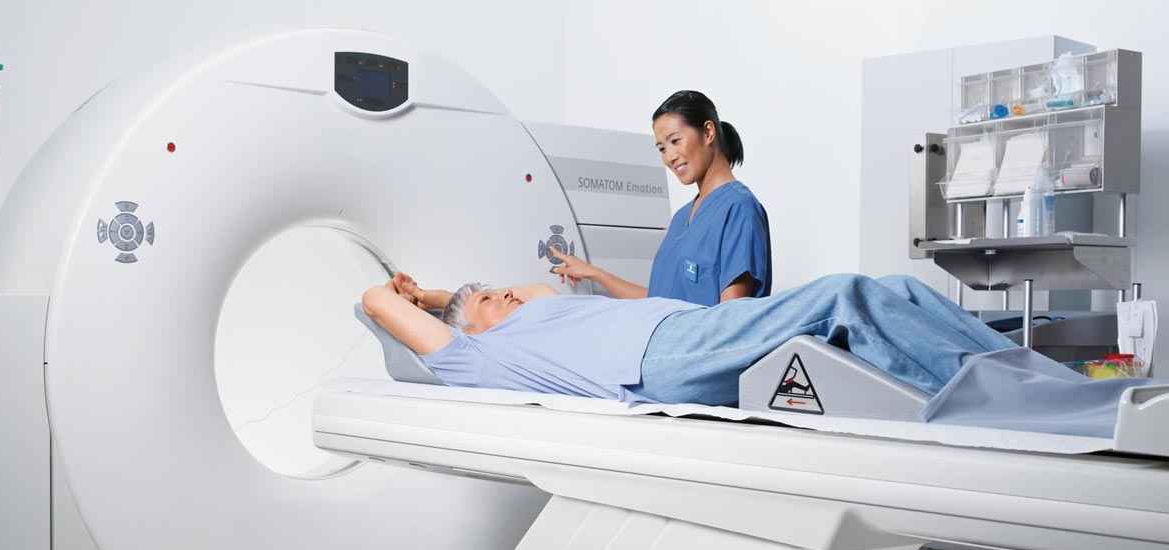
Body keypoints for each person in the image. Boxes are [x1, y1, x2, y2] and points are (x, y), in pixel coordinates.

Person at [362, 272, 1014, 406]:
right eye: (486, 299)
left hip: (679, 334)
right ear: (467, 328)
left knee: (895, 290)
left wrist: (456, 295)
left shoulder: (540, 311)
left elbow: (528, 289)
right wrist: (419, 300)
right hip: (659, 354)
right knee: (848, 297)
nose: (504, 294)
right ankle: (1003, 400)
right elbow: (375, 301)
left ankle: (1025, 376)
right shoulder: (480, 357)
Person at [550, 90, 771, 305]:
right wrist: (593, 273)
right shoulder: (681, 217)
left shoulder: (739, 209)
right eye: (662, 149)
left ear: (708, 132)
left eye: (675, 141)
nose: (670, 157)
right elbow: (658, 301)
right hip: (660, 328)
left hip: (691, 333)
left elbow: (731, 317)